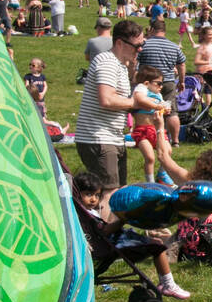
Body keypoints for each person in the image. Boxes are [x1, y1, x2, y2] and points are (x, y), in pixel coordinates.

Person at [75, 172, 191, 300]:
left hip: (112, 241)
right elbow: (104, 232)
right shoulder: (83, 216)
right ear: (77, 194)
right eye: (88, 194)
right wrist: (124, 218)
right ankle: (168, 285)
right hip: (108, 247)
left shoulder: (86, 212)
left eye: (97, 195)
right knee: (157, 246)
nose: (93, 199)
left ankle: (167, 283)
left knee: (156, 242)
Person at [76, 18, 146, 212]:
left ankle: (112, 236)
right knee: (109, 193)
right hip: (98, 137)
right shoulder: (107, 62)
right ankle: (101, 237)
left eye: (142, 45)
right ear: (120, 43)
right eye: (137, 46)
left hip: (111, 137)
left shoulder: (120, 65)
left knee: (119, 191)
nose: (140, 50)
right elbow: (106, 99)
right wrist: (135, 103)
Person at [137, 17, 186, 146]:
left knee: (147, 110)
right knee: (171, 112)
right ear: (164, 30)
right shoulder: (174, 46)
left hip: (149, 84)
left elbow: (136, 63)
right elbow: (181, 64)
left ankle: (148, 139)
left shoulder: (145, 45)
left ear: (152, 29)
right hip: (168, 81)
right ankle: (175, 140)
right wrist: (181, 81)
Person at [131, 65, 171, 182]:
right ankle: (150, 182)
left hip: (157, 130)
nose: (161, 86)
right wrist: (156, 106)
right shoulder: (141, 88)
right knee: (150, 157)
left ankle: (162, 174)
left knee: (168, 151)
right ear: (147, 83)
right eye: (158, 83)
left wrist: (165, 109)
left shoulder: (158, 95)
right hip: (142, 131)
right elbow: (140, 99)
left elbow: (162, 106)